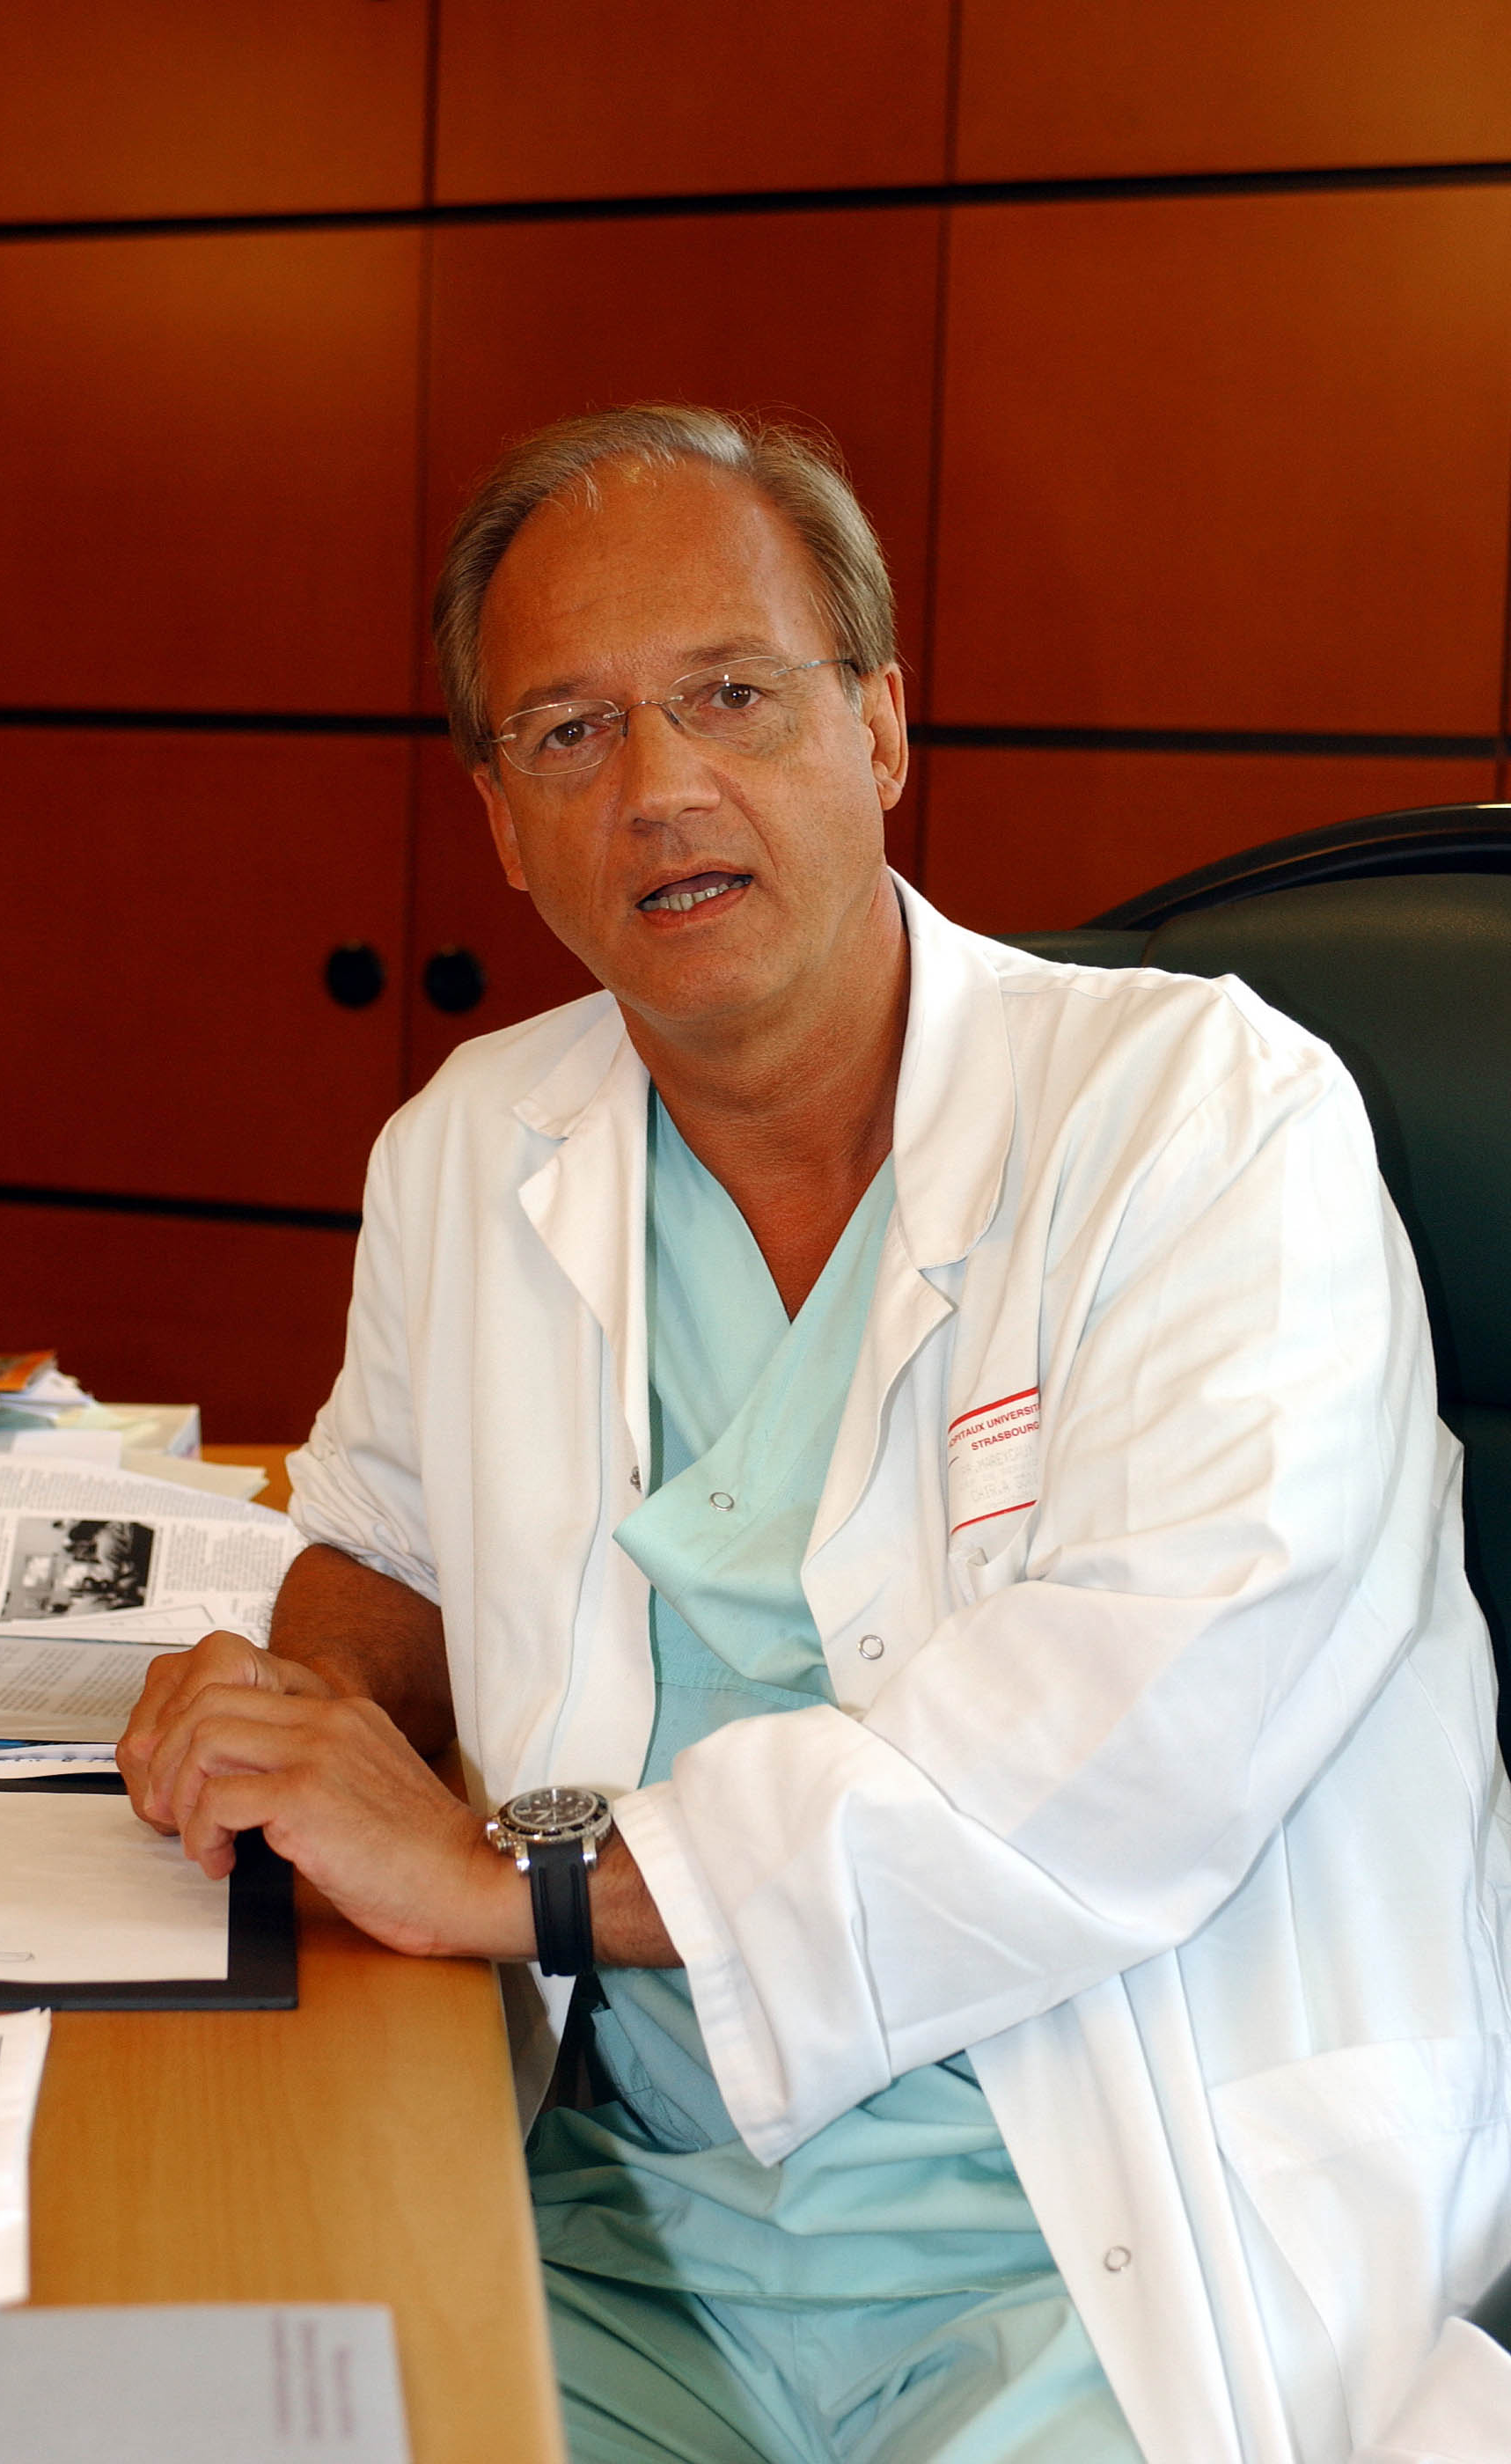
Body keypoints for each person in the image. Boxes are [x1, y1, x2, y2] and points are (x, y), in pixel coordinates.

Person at [119, 405, 1511, 2464]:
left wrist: (509, 1876)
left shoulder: (1209, 1119)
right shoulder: (472, 1144)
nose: (662, 786)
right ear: (502, 823)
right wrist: (299, 1717)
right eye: (570, 731)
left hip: (1099, 2236)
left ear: (879, 725)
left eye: (734, 694)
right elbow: (385, 1544)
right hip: (626, 2217)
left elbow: (1125, 1758)